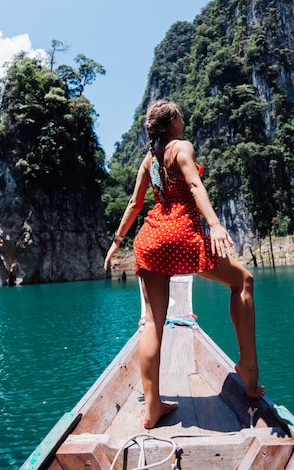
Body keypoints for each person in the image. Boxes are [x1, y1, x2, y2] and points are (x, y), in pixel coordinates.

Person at [104, 99, 264, 429]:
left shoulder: (150, 159)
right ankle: (248, 367)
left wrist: (116, 242)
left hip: (149, 239)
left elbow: (135, 204)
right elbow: (193, 184)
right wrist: (216, 225)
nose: (183, 117)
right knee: (242, 281)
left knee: (153, 323)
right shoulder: (181, 148)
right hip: (181, 237)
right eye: (180, 113)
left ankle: (152, 408)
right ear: (173, 120)